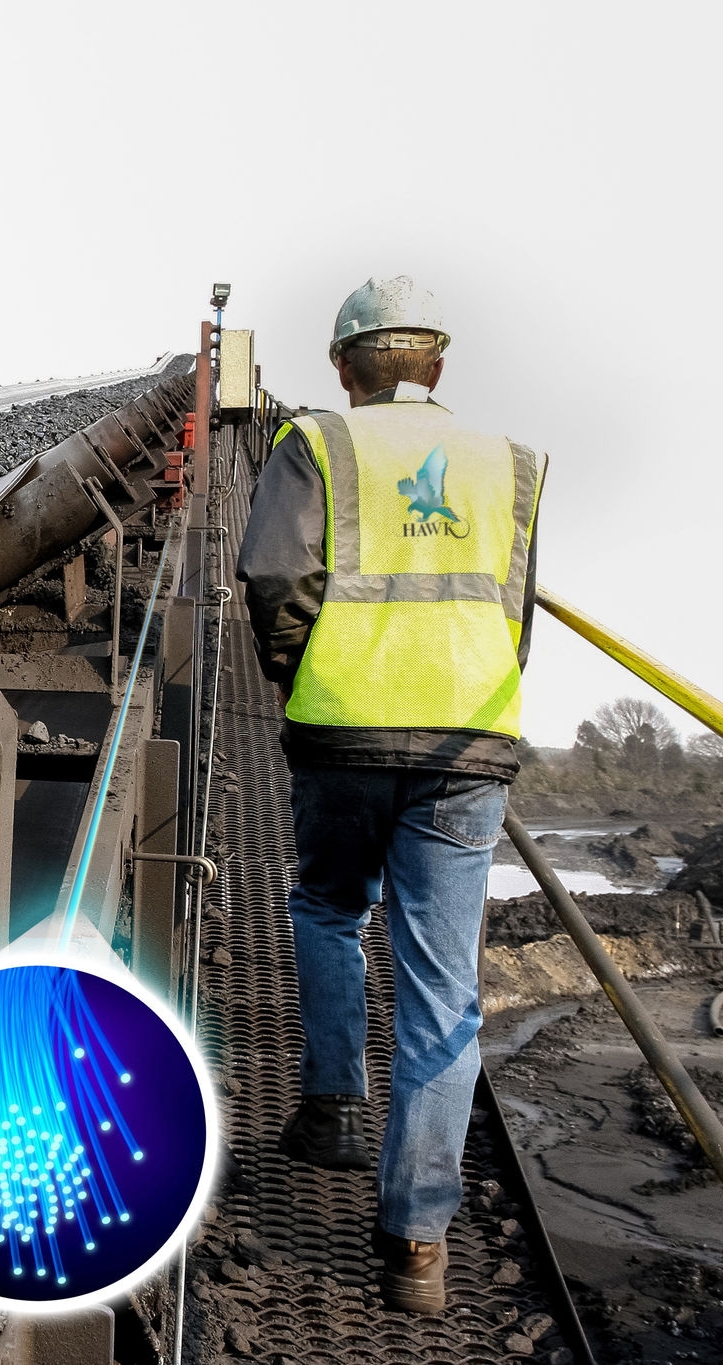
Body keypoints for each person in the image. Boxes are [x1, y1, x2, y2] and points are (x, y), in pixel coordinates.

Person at [234, 276, 546, 1315]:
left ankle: (330, 1107)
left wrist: (296, 675)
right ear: (436, 369)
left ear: (342, 371)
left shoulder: (317, 446)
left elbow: (274, 579)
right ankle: (414, 1244)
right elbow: (514, 612)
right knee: (442, 996)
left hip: (341, 733)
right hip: (468, 744)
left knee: (327, 907)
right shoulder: (510, 466)